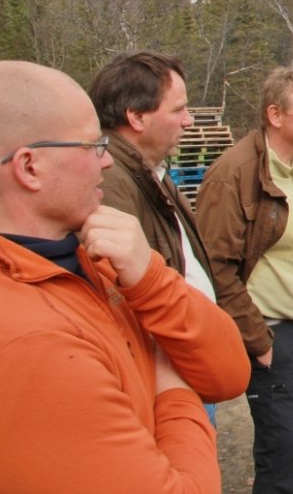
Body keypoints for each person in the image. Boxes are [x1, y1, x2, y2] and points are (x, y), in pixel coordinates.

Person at [0, 60, 250, 492]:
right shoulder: (24, 345)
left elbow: (229, 373)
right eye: (91, 146)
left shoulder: (89, 257)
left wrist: (152, 280)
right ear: (30, 167)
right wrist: (172, 386)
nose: (106, 162)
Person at [196, 67, 293, 494]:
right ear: (275, 115)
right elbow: (215, 268)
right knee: (284, 451)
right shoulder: (233, 175)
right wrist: (257, 341)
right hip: (275, 334)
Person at [90, 52, 222, 423]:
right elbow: (119, 292)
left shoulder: (149, 169)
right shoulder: (110, 180)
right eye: (178, 109)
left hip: (183, 358)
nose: (188, 120)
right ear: (136, 116)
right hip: (164, 373)